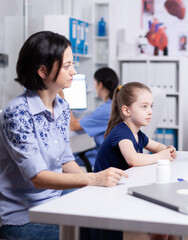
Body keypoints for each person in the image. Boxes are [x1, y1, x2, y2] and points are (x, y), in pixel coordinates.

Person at [0, 31, 128, 240]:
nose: (74, 71)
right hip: (25, 215)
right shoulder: (17, 113)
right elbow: (38, 178)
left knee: (107, 215)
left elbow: (66, 159)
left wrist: (92, 185)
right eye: (67, 66)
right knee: (90, 230)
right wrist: (92, 179)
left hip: (55, 200)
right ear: (43, 71)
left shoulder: (61, 107)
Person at [94, 82, 176, 172]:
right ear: (126, 110)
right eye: (144, 106)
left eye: (151, 106)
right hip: (103, 185)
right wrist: (160, 156)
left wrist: (167, 150)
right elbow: (133, 160)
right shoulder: (121, 132)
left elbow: (157, 147)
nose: (150, 111)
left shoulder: (138, 134)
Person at [62, 67, 119, 168]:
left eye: (94, 83)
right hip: (111, 155)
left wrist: (62, 98)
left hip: (104, 158)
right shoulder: (113, 106)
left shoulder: (105, 110)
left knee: (63, 161)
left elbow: (74, 126)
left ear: (100, 85)